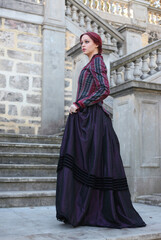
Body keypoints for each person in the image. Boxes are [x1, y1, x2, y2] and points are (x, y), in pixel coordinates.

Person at [56, 32, 146, 228]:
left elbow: (104, 89)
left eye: (87, 42)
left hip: (93, 119)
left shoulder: (97, 62)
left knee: (91, 162)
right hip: (87, 119)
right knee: (88, 164)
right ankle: (85, 210)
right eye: (81, 42)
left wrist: (80, 103)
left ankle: (89, 211)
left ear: (97, 44)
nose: (83, 45)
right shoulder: (90, 63)